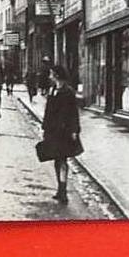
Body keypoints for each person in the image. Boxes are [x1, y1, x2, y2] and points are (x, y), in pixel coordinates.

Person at [42, 64, 82, 204]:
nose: (49, 76)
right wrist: (45, 127)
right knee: (56, 160)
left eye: (51, 74)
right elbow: (48, 111)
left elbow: (73, 114)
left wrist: (74, 130)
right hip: (53, 131)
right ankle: (60, 188)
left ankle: (63, 191)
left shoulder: (68, 92)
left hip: (64, 131)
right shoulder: (52, 90)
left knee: (63, 160)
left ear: (57, 75)